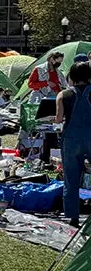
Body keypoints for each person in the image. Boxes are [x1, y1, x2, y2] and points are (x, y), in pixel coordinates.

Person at [56, 61, 91, 227]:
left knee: (71, 179)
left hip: (71, 138)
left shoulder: (63, 94)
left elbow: (58, 119)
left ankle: (73, 216)